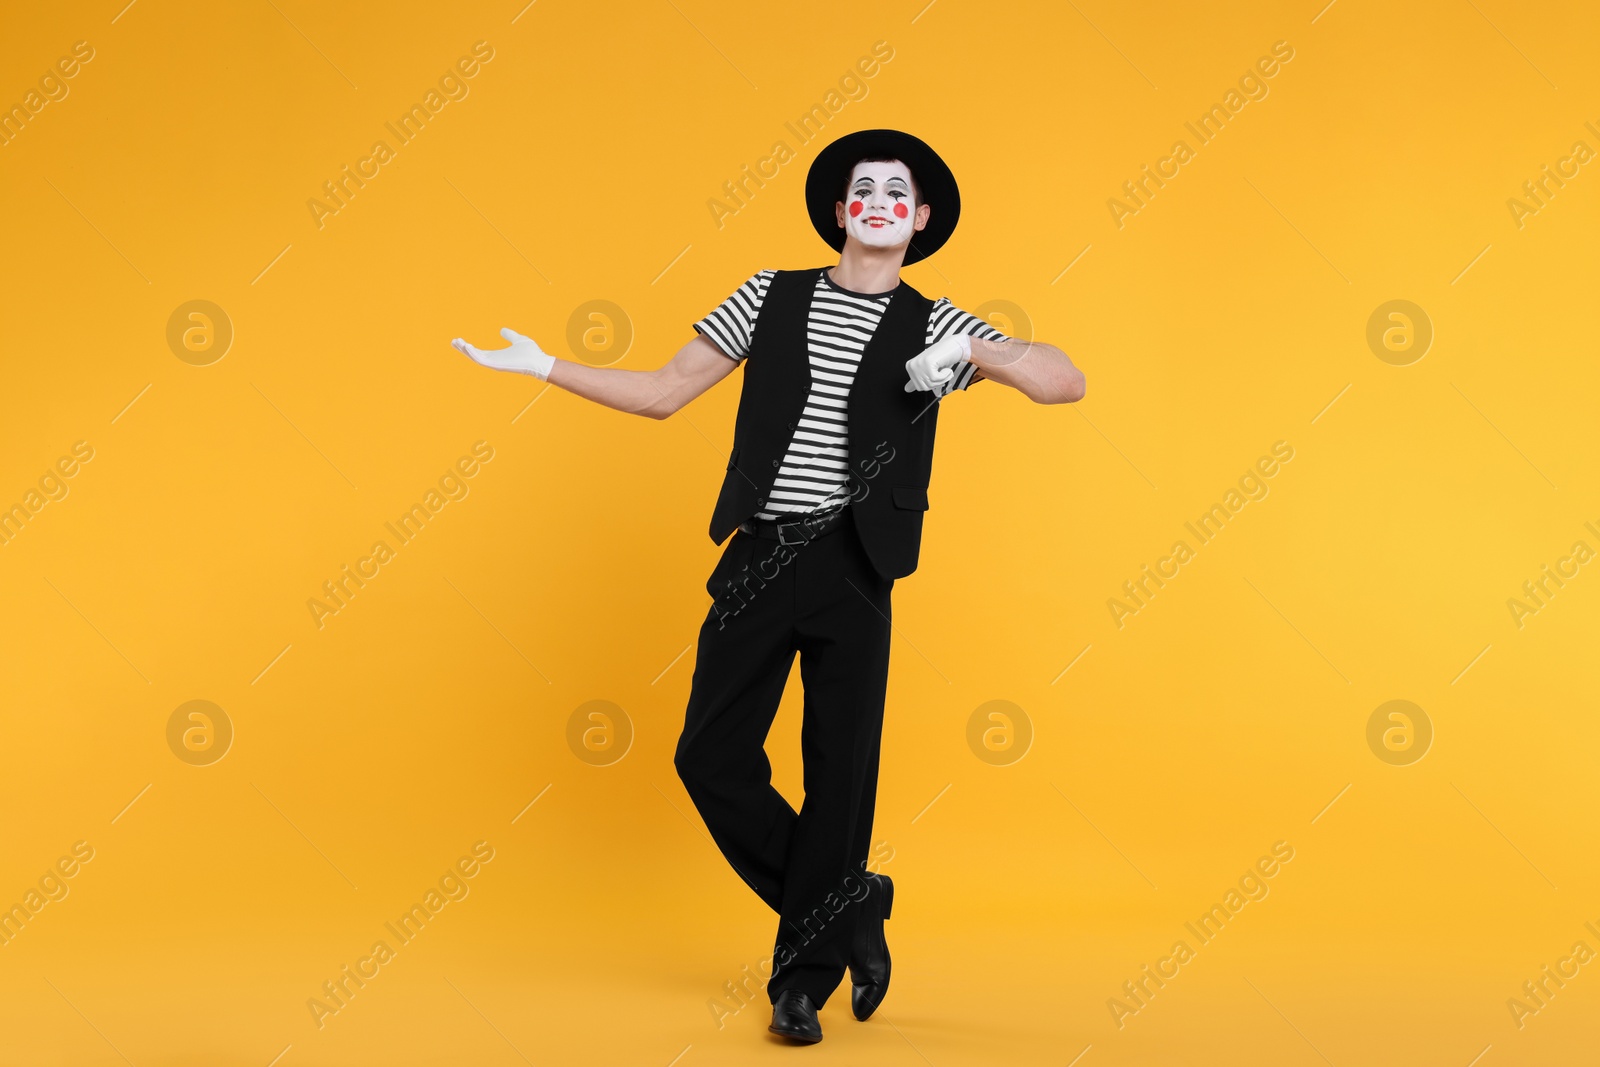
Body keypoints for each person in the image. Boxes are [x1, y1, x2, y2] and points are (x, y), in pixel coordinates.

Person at [451, 128, 1086, 1044]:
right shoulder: (768, 296)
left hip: (858, 569)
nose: (875, 201)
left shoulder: (939, 322)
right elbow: (664, 392)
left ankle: (800, 982)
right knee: (709, 757)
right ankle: (852, 904)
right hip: (759, 557)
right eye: (860, 189)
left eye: (894, 193)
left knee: (841, 774)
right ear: (839, 213)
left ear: (920, 219)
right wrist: (546, 365)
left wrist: (975, 356)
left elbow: (1064, 381)